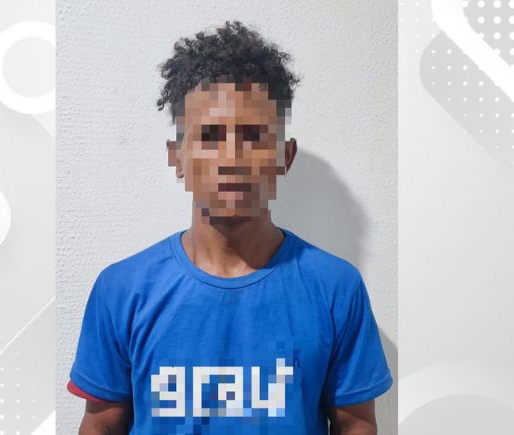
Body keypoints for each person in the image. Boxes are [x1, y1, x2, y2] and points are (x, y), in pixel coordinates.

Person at [67, 20, 393, 435]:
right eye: (209, 136)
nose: (232, 158)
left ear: (285, 156)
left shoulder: (336, 289)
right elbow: (101, 425)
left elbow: (356, 424)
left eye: (254, 136)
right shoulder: (122, 290)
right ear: (177, 157)